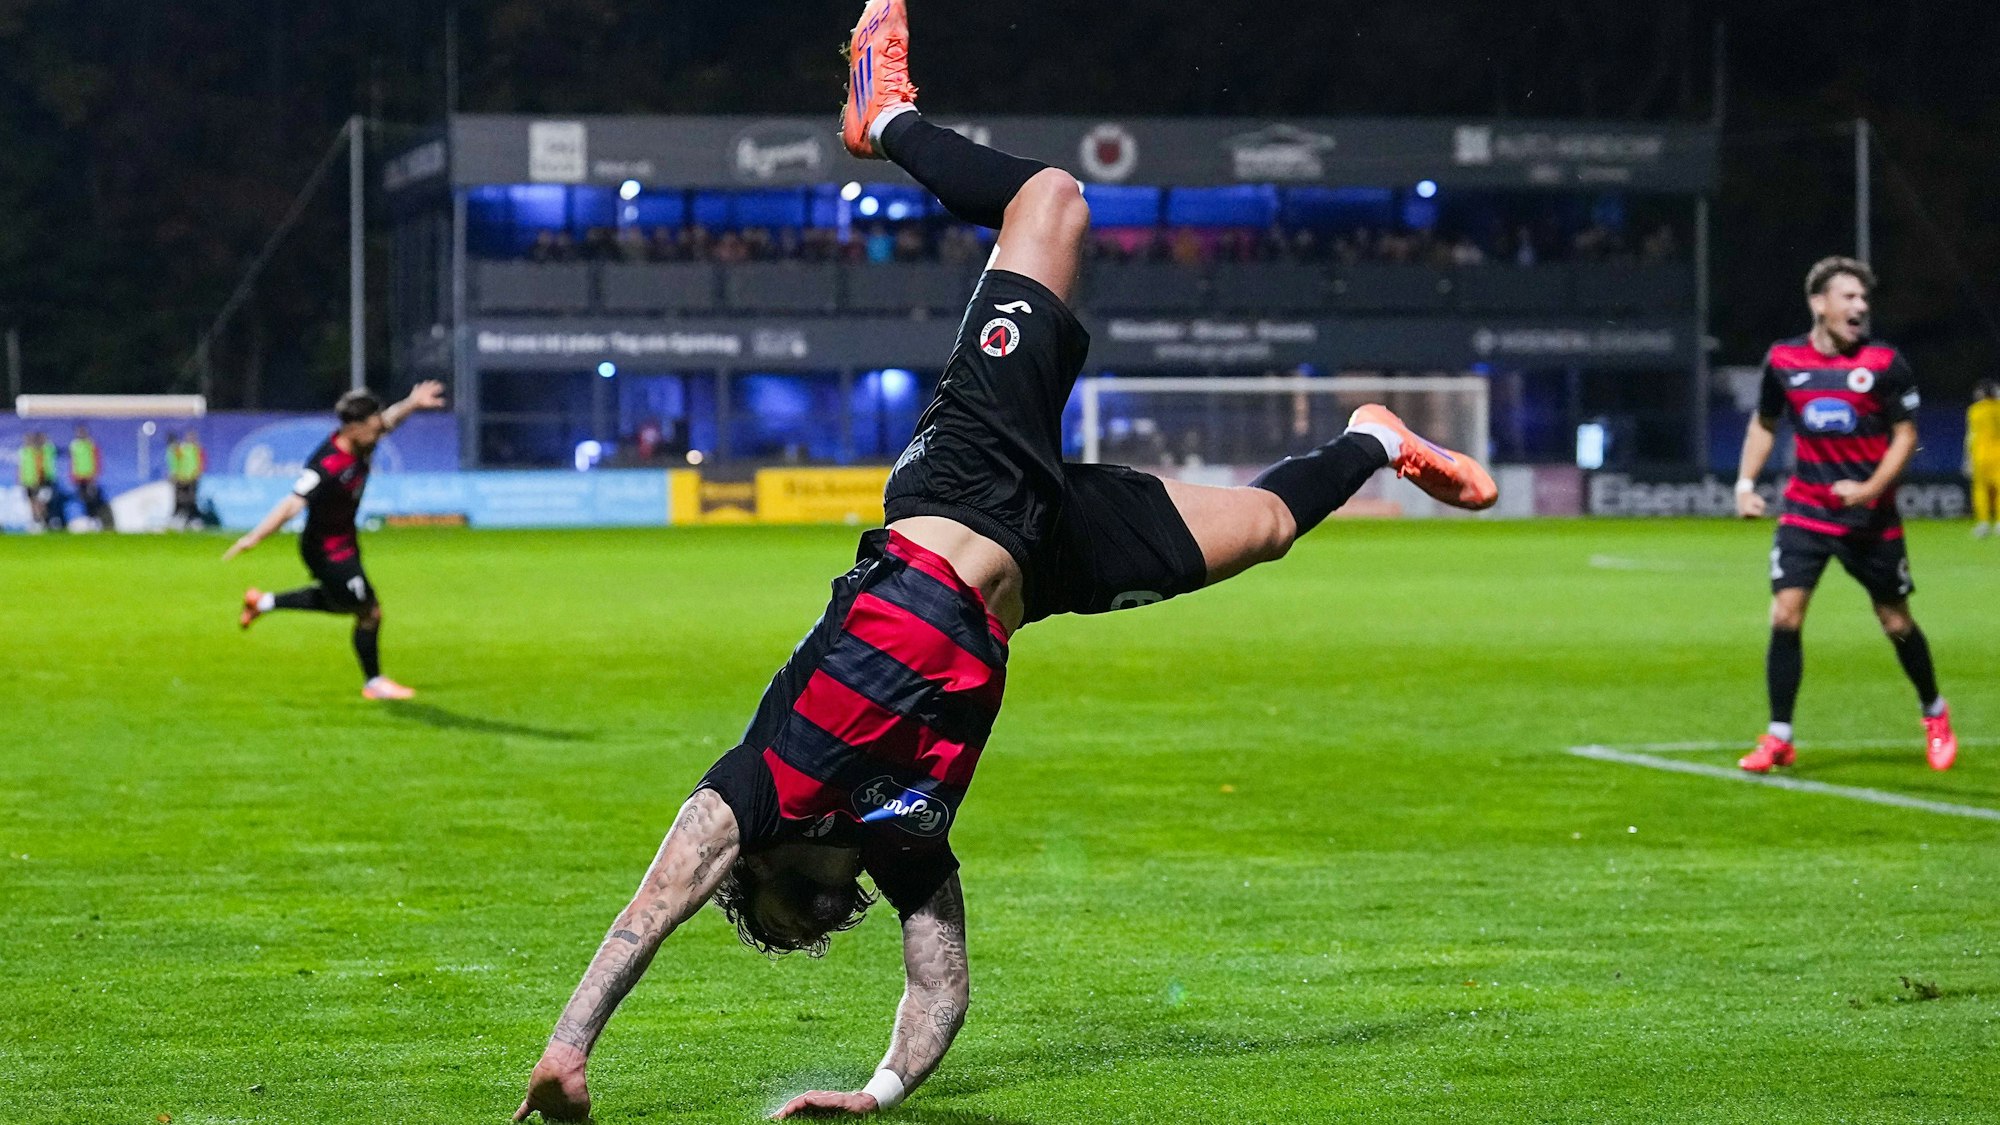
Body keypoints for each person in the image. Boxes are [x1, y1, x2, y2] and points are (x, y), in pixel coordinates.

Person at [513, 5, 1496, 1120]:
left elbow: (657, 900)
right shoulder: (902, 840)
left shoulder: (763, 785)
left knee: (1051, 201)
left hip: (963, 486)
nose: (821, 931)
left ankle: (884, 116)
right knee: (1263, 530)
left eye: (792, 923)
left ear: (769, 870)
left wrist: (569, 1046)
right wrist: (874, 1093)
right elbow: (942, 985)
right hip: (1045, 560)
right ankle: (1372, 437)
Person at [1734, 256, 1957, 773]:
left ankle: (1934, 711)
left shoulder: (1883, 364)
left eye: (1864, 299)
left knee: (1895, 621)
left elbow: (1906, 436)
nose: (1860, 307)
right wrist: (1745, 484)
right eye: (1849, 297)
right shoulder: (1785, 360)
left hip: (1869, 520)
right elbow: (1764, 422)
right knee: (1785, 613)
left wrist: (1870, 489)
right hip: (1807, 510)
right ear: (1819, 304)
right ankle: (1779, 736)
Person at [223, 382, 447, 699]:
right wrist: (254, 537)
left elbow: (389, 421)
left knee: (341, 602)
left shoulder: (363, 440)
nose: (379, 429)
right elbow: (292, 503)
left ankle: (262, 602)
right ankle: (374, 683)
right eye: (373, 425)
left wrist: (412, 402)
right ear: (354, 428)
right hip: (326, 551)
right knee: (369, 612)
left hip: (345, 541)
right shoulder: (326, 465)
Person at [1967, 379, 2000, 538]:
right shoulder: (1998, 408)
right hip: (1997, 454)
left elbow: (1970, 436)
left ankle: (1983, 523)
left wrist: (1967, 459)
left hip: (1979, 454)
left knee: (1980, 490)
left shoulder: (1974, 410)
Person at [68, 424, 113, 530]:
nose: (80, 434)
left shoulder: (91, 445)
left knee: (93, 499)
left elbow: (96, 460)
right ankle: (90, 520)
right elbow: (73, 463)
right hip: (79, 479)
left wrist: (94, 476)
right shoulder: (74, 445)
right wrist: (73, 476)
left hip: (89, 477)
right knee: (84, 500)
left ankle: (96, 520)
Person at [167, 431, 207, 529]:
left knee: (191, 500)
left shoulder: (195, 449)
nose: (192, 439)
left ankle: (193, 520)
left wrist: (197, 472)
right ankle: (179, 519)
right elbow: (176, 462)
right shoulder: (180, 449)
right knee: (180, 500)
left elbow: (200, 462)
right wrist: (175, 474)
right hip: (181, 478)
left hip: (191, 478)